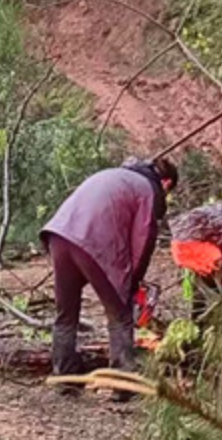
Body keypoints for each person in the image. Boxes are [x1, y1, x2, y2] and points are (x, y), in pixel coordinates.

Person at [41, 157, 177, 376]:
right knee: (120, 315)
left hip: (58, 236)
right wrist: (132, 285)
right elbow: (142, 243)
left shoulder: (113, 175)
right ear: (166, 183)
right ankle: (122, 380)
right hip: (92, 243)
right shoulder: (146, 190)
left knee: (66, 313)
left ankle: (64, 375)